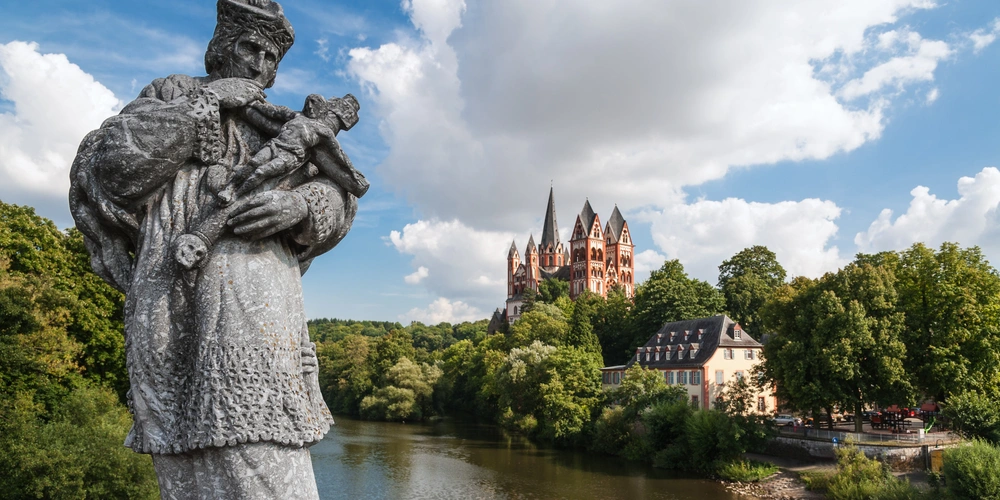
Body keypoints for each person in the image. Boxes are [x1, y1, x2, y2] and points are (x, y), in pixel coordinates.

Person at [69, 1, 359, 497]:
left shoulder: (280, 123)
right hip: (166, 302)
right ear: (221, 48)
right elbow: (111, 171)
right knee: (182, 471)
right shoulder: (170, 96)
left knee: (266, 457)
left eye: (271, 58)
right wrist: (209, 103)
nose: (260, 66)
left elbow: (341, 194)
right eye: (251, 49)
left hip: (254, 298)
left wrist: (302, 208)